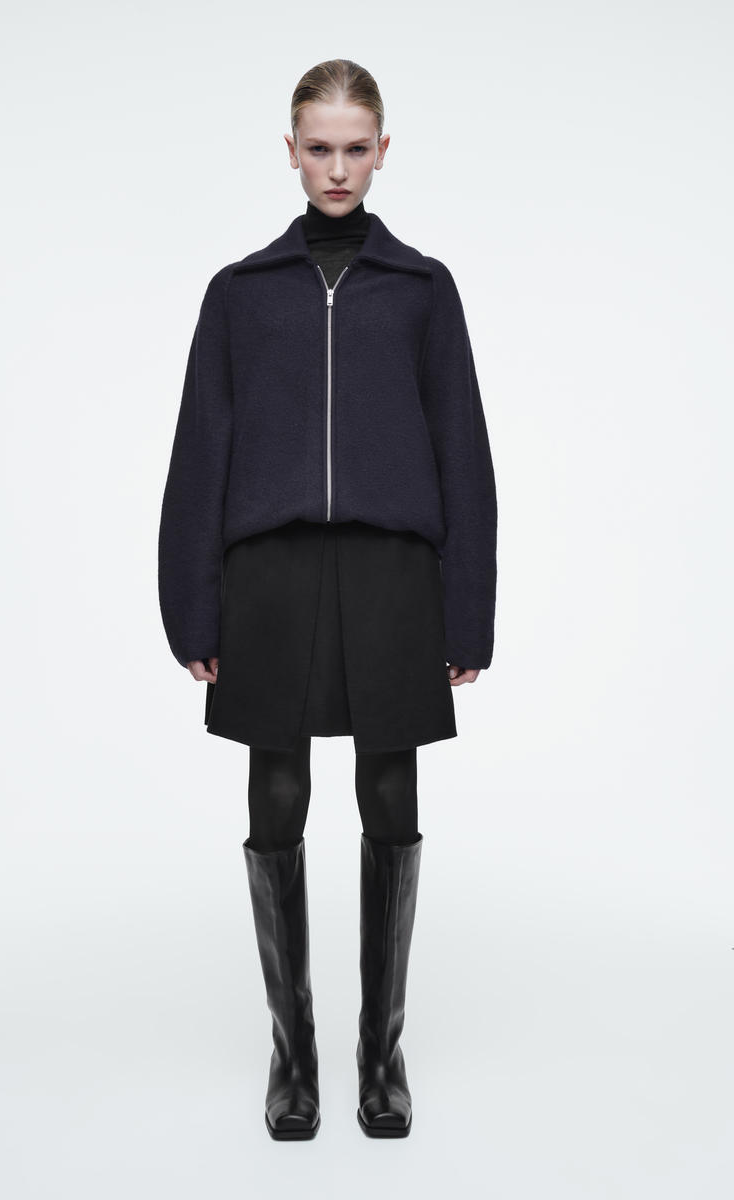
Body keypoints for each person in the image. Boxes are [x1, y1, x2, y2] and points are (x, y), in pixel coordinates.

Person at [158, 58, 498, 1141]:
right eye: (319, 148)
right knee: (276, 798)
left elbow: (462, 451)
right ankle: (292, 1049)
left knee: (390, 796)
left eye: (356, 148)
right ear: (291, 150)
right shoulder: (240, 294)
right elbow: (200, 453)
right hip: (270, 572)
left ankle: (378, 1051)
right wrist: (190, 608)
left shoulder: (422, 289)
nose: (337, 168)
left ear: (383, 150)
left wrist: (468, 610)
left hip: (393, 573)